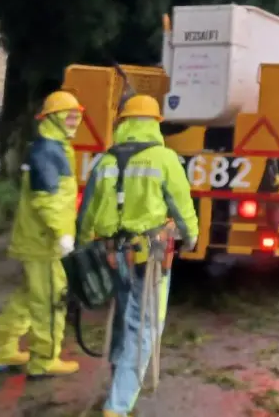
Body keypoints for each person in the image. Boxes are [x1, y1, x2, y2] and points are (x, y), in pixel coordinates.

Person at [76, 94, 197, 417]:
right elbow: (181, 208)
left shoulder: (104, 161)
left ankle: (118, 383)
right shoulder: (164, 159)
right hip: (151, 256)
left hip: (113, 255)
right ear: (155, 124)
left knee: (122, 321)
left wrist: (80, 250)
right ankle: (118, 405)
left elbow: (85, 214)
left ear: (123, 123)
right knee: (143, 327)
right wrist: (191, 238)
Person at [0, 90, 85, 377]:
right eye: (69, 116)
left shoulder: (50, 147)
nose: (74, 121)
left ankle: (2, 349)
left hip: (37, 238)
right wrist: (62, 235)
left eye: (77, 115)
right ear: (52, 118)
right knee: (50, 301)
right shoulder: (49, 151)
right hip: (45, 242)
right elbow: (48, 199)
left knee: (29, 297)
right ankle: (44, 360)